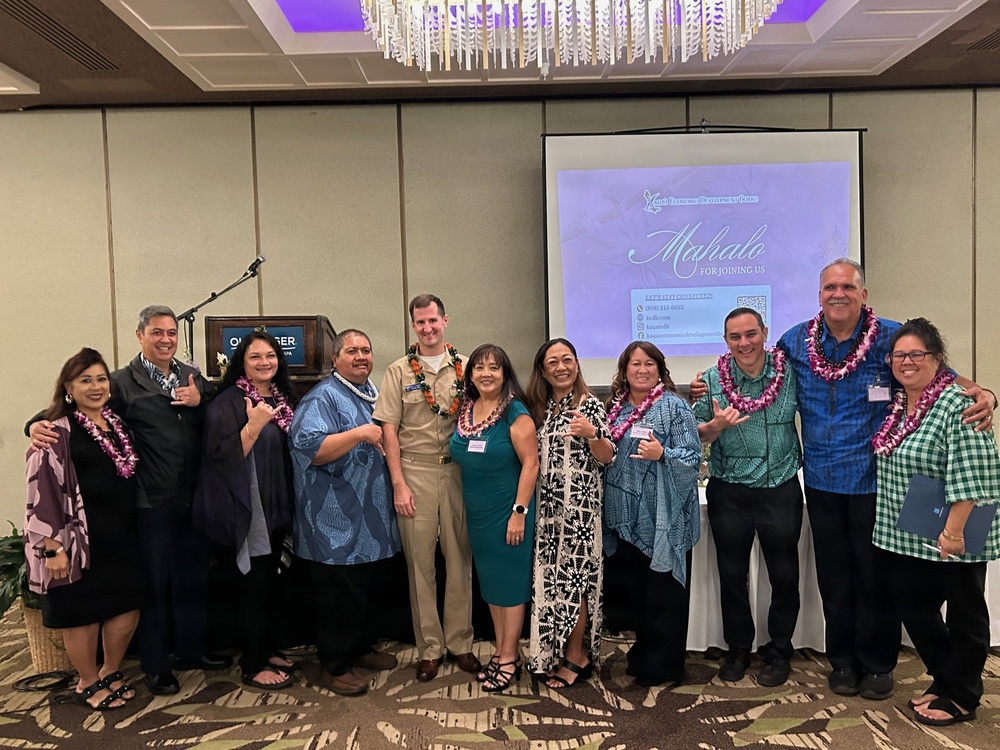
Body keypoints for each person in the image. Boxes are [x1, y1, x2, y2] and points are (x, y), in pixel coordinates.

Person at [691, 259, 994, 700]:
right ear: (819, 296)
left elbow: (939, 373)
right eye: (830, 286)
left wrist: (984, 391)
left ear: (863, 294)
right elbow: (751, 365)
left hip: (877, 483)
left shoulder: (891, 337)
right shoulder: (796, 341)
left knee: (876, 580)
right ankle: (843, 662)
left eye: (848, 286)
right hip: (821, 480)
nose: (838, 293)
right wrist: (703, 384)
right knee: (833, 579)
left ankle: (877, 664)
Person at [30, 305, 230, 695]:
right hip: (151, 503)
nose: (166, 339)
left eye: (171, 332)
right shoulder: (121, 381)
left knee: (193, 579)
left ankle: (191, 649)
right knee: (153, 587)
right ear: (140, 336)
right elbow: (70, 409)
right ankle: (157, 665)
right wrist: (33, 425)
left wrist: (200, 396)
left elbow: (216, 395)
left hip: (195, 498)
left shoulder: (189, 375)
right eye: (157, 332)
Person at [872, 318, 1000, 726]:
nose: (907, 362)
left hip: (953, 532)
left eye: (916, 354)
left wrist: (954, 533)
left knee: (965, 614)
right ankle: (949, 678)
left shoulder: (958, 404)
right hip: (912, 532)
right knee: (910, 600)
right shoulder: (900, 402)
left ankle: (961, 694)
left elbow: (973, 474)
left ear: (938, 360)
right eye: (899, 355)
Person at [24, 348, 144, 710]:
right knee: (83, 611)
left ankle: (109, 669)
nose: (95, 387)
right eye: (85, 380)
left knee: (126, 606)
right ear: (68, 388)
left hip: (122, 535)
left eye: (101, 379)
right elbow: (40, 491)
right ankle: (87, 681)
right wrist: (51, 547)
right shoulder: (54, 432)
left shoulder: (116, 422)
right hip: (77, 540)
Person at [692, 309, 802, 687]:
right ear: (726, 341)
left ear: (765, 333)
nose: (744, 343)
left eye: (751, 334)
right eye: (735, 337)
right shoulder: (710, 381)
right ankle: (738, 647)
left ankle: (779, 649)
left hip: (780, 486)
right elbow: (698, 437)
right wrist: (715, 426)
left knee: (784, 575)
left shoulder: (791, 375)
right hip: (731, 491)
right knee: (732, 575)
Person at [373, 295, 480, 682]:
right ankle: (430, 648)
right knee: (420, 567)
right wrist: (398, 484)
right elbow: (388, 431)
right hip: (414, 473)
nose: (428, 328)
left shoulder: (468, 368)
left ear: (445, 320)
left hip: (457, 473)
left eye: (433, 320)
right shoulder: (398, 372)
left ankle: (461, 643)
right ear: (413, 326)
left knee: (459, 561)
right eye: (420, 323)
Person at [292, 329, 402, 695]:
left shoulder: (372, 392)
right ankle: (335, 664)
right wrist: (359, 434)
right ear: (335, 359)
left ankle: (360, 647)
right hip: (333, 518)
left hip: (367, 516)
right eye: (352, 351)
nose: (361, 357)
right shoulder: (322, 397)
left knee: (363, 589)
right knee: (339, 595)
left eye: (366, 351)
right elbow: (309, 448)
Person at [193, 331, 298, 690]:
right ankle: (252, 664)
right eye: (255, 357)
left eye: (270, 355)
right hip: (248, 510)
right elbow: (219, 457)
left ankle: (267, 648)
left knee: (269, 583)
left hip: (276, 507)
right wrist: (253, 428)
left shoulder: (281, 398)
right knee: (252, 587)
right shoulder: (228, 403)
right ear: (242, 363)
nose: (265, 362)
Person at [604, 341, 701, 687]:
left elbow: (692, 458)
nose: (642, 370)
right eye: (635, 364)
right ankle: (642, 654)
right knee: (639, 594)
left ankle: (665, 665)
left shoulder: (675, 408)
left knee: (663, 595)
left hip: (664, 517)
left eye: (649, 364)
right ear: (624, 370)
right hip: (626, 517)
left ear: (660, 369)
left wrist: (663, 453)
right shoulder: (616, 409)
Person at [525, 338, 615, 689]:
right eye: (553, 362)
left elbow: (607, 456)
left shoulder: (589, 406)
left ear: (577, 364)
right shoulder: (542, 408)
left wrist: (592, 434)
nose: (561, 367)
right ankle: (556, 652)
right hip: (548, 512)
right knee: (552, 584)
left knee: (577, 584)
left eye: (567, 360)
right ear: (543, 371)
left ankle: (578, 655)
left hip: (579, 513)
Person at [450, 344, 539, 693]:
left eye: (495, 368)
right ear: (470, 374)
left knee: (511, 586)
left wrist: (519, 513)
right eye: (480, 367)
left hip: (508, 512)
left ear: (505, 374)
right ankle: (506, 650)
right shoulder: (467, 409)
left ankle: (507, 659)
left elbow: (531, 464)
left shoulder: (515, 414)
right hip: (478, 512)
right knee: (491, 587)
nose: (487, 374)